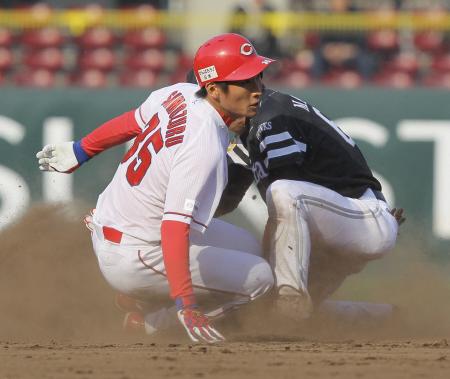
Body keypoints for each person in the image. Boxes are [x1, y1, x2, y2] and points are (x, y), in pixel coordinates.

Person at [36, 33, 276, 343]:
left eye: (256, 76)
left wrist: (82, 150)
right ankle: (153, 321)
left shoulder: (179, 92)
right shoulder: (202, 144)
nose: (257, 89)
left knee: (250, 247)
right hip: (135, 254)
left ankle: (142, 299)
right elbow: (174, 228)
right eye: (244, 81)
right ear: (214, 89)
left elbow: (132, 121)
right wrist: (186, 303)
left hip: (119, 226)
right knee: (260, 279)